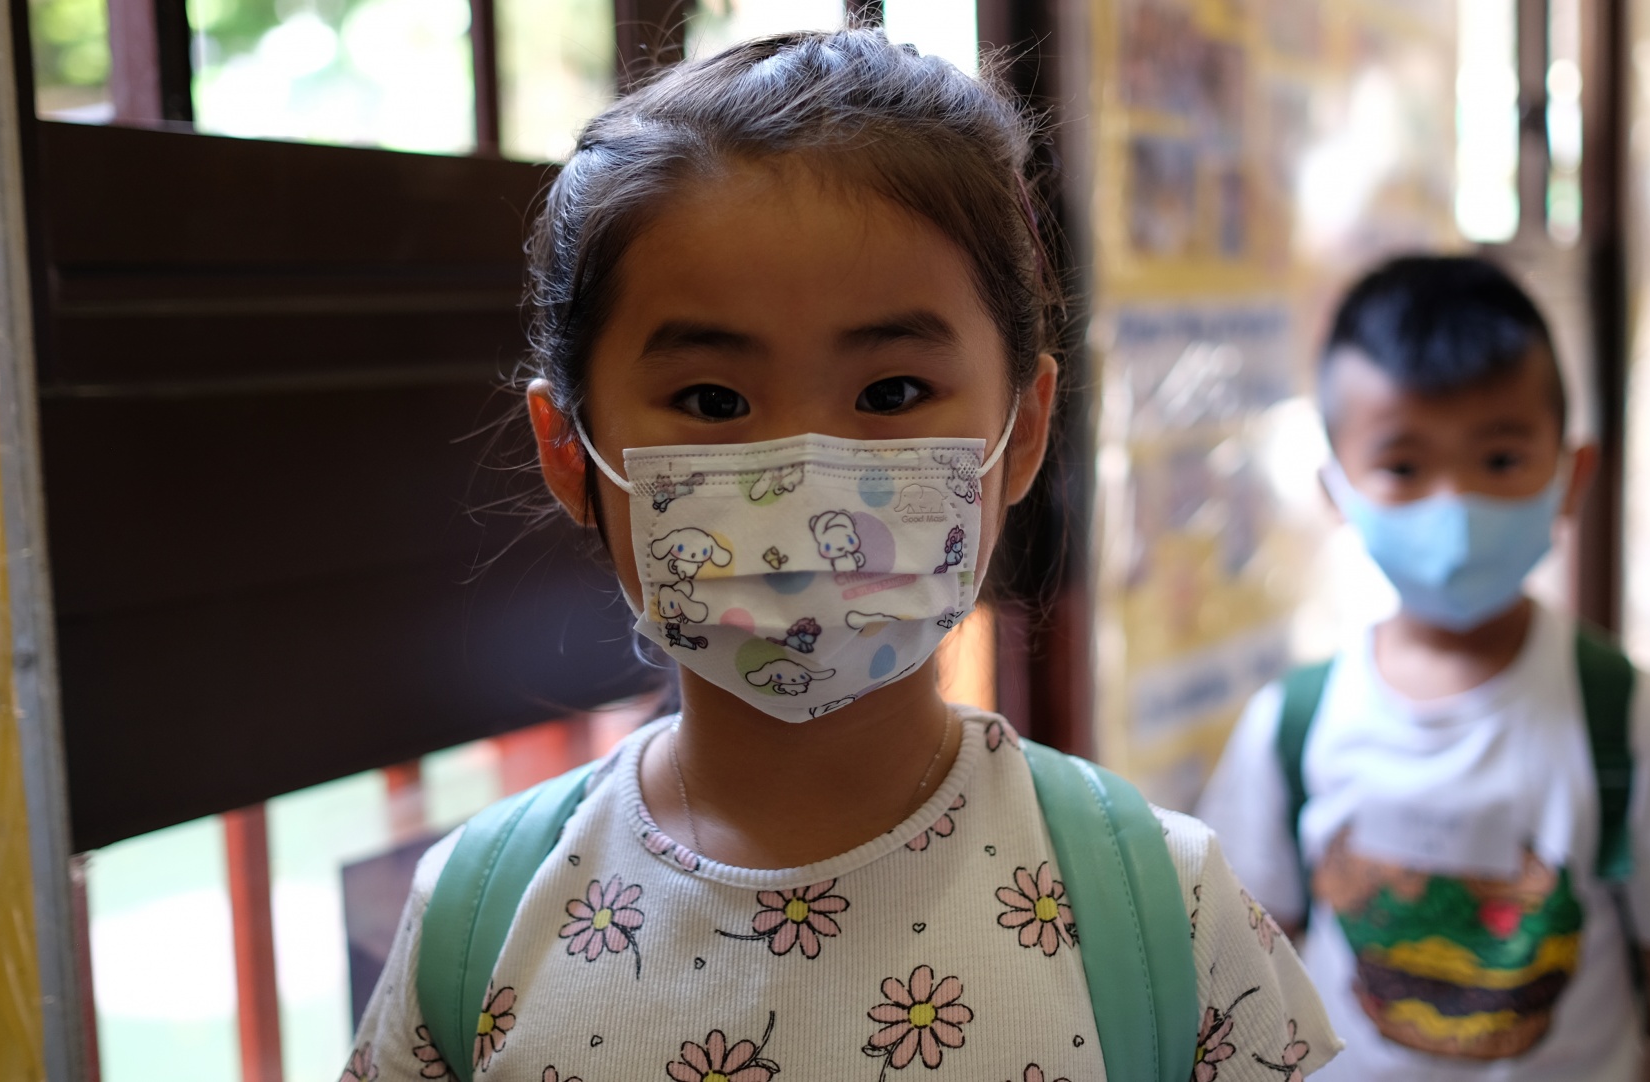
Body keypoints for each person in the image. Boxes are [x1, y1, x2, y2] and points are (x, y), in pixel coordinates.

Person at [346, 29, 1337, 1082]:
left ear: (1023, 429)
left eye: (891, 392)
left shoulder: (1162, 910)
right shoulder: (478, 919)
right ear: (568, 449)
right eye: (711, 400)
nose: (800, 470)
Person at [1196, 255, 1650, 1081]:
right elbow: (1236, 993)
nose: (1454, 505)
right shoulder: (1288, 730)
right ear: (1335, 492)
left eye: (1500, 460)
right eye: (1402, 467)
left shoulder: (1637, 724)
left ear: (1570, 477)